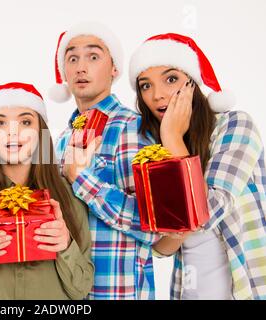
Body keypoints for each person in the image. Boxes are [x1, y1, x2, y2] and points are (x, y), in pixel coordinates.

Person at [129, 33, 266, 300]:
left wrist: (172, 138)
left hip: (243, 289)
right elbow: (160, 246)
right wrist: (178, 231)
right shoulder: (155, 149)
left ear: (194, 83)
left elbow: (209, 209)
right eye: (145, 86)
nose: (158, 95)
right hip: (187, 291)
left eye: (171, 79)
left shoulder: (236, 126)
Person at [0, 82, 93, 299]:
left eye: (25, 121)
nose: (13, 133)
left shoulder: (68, 193)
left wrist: (65, 245)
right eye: (0, 123)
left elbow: (81, 289)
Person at [49, 22, 160, 300]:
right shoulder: (61, 138)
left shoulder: (133, 128)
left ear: (114, 69)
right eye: (72, 58)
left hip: (115, 292)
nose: (80, 67)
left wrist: (81, 179)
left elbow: (154, 226)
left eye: (93, 56)